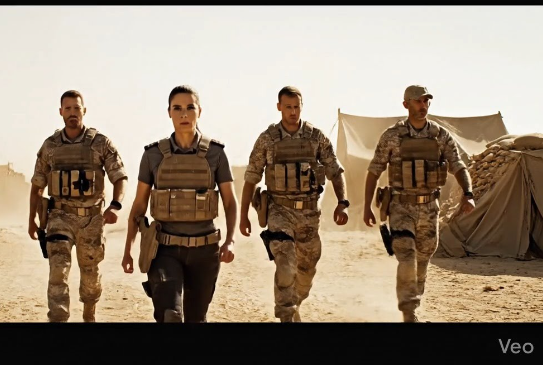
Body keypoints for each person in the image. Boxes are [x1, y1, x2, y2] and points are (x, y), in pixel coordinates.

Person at [121, 85, 237, 323]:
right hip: (164, 250)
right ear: (169, 112)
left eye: (190, 108)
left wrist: (230, 240)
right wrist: (128, 250)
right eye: (177, 108)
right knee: (170, 315)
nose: (184, 114)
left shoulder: (216, 154)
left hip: (205, 251)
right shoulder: (153, 155)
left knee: (196, 318)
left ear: (199, 111)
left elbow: (229, 201)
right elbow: (139, 205)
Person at [363, 85, 475, 322]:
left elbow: (458, 165)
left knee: (423, 259)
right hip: (400, 206)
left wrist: (468, 193)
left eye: (426, 101)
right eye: (417, 101)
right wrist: (367, 207)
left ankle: (414, 304)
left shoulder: (440, 135)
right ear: (406, 105)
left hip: (429, 208)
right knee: (406, 256)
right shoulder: (392, 135)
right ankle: (409, 312)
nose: (423, 106)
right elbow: (374, 170)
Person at [238, 85, 350, 322]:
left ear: (302, 107)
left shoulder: (315, 137)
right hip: (279, 211)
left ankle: (295, 301)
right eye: (288, 107)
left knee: (307, 270)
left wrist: (343, 202)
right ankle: (286, 314)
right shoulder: (268, 139)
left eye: (296, 107)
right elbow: (251, 178)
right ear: (279, 107)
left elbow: (335, 170)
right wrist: (243, 215)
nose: (292, 112)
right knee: (285, 265)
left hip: (309, 215)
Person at [27, 90, 128, 322]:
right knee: (58, 272)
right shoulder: (50, 146)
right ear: (60, 112)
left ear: (84, 111)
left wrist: (115, 205)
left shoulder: (100, 143)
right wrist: (32, 219)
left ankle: (89, 313)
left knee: (90, 275)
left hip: (92, 220)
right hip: (59, 217)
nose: (72, 113)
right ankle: (58, 318)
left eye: (77, 108)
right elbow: (37, 186)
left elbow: (119, 177)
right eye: (68, 108)